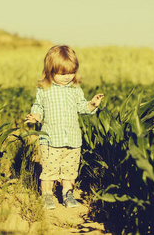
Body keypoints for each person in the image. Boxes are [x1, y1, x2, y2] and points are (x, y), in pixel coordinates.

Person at [25, 45, 104, 209]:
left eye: (71, 72)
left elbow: (82, 108)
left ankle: (68, 194)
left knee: (69, 170)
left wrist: (92, 104)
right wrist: (36, 116)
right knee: (49, 170)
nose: (67, 77)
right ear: (50, 71)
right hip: (51, 139)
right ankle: (47, 196)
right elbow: (38, 106)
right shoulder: (45, 89)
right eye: (62, 73)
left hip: (72, 139)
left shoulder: (75, 89)